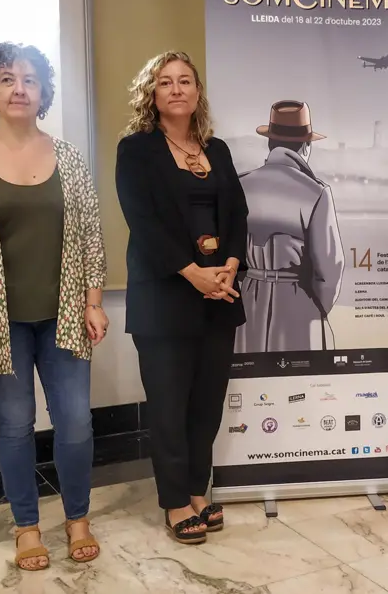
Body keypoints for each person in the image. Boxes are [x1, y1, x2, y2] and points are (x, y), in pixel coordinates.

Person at [0, 42, 107, 571]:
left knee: (75, 423)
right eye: (7, 79)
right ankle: (27, 527)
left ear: (44, 93)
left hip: (64, 318)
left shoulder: (69, 158)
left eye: (30, 80)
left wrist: (93, 302)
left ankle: (77, 518)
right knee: (13, 425)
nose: (19, 89)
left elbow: (91, 236)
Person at [115, 51, 248, 545]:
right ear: (152, 94)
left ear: (197, 92)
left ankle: (197, 490)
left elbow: (238, 215)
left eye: (185, 81)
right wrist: (193, 273)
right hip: (165, 297)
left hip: (220, 294)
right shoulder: (136, 150)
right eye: (165, 82)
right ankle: (174, 501)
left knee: (207, 406)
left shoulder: (220, 150)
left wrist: (230, 264)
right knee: (170, 407)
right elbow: (143, 223)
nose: (176, 89)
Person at [234, 100, 344, 353]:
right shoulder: (317, 192)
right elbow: (330, 269)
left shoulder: (240, 184)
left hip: (248, 303)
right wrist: (313, 309)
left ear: (270, 143)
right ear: (305, 147)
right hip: (299, 307)